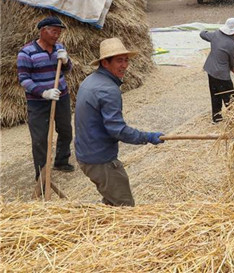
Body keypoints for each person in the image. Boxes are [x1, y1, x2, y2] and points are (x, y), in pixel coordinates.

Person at [74, 38, 165, 206]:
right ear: (105, 63)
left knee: (111, 203)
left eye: (126, 60)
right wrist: (148, 137)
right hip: (100, 159)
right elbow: (118, 130)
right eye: (119, 61)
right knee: (124, 206)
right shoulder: (108, 89)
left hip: (86, 152)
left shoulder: (90, 80)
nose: (124, 65)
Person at [17, 16, 75, 183]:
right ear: (43, 31)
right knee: (39, 139)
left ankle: (61, 161)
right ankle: (41, 173)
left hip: (61, 96)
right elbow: (24, 80)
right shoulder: (26, 53)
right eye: (54, 31)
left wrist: (66, 61)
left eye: (59, 32)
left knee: (65, 130)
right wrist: (43, 93)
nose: (57, 35)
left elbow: (67, 69)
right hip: (38, 102)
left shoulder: (59, 48)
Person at [200, 18, 234, 123]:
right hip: (222, 74)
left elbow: (202, 34)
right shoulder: (233, 45)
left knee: (215, 94)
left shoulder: (216, 34)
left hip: (211, 70)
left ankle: (217, 118)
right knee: (229, 96)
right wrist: (232, 67)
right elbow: (232, 60)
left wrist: (206, 31)